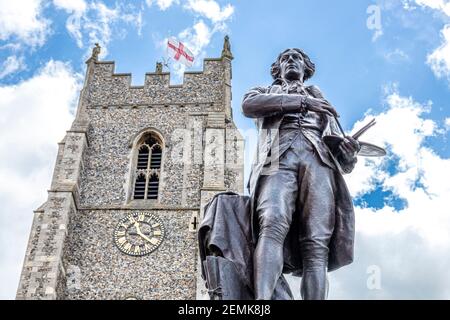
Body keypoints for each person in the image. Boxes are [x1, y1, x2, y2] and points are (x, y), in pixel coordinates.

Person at [242, 48, 359, 300]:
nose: (291, 60)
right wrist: (303, 102)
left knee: (317, 244)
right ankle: (261, 301)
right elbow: (248, 105)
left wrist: (348, 154)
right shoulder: (265, 92)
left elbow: (341, 155)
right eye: (285, 58)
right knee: (272, 223)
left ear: (307, 68)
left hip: (319, 163)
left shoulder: (322, 100)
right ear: (278, 69)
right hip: (277, 158)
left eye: (297, 57)